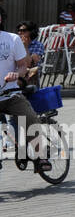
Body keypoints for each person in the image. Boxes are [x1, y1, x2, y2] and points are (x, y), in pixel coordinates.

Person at [1, 16, 47, 169]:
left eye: (24, 30)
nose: (22, 33)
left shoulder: (12, 39)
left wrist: (17, 74)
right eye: (20, 30)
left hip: (10, 94)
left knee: (31, 120)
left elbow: (23, 65)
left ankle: (41, 156)